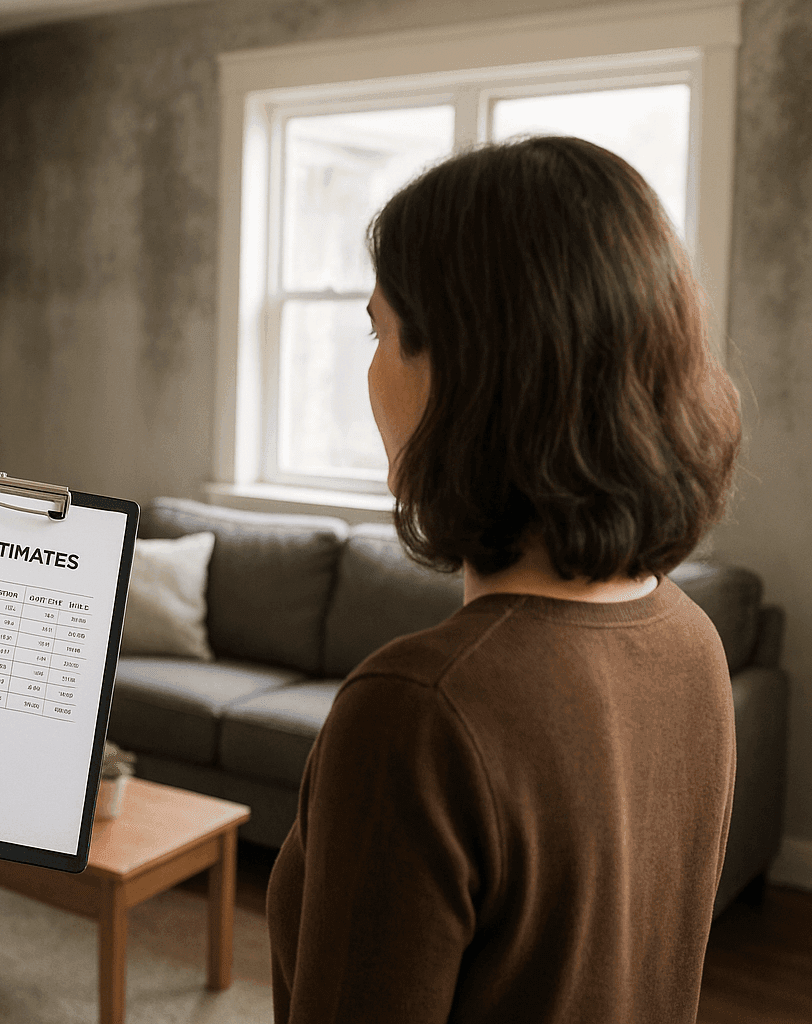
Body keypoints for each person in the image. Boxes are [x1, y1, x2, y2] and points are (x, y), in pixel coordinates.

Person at [266, 135, 742, 1023]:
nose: (369, 373)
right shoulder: (690, 640)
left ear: (465, 372)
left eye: (380, 331)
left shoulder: (418, 710)